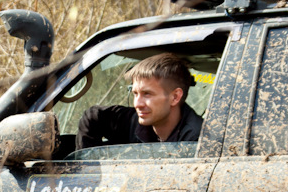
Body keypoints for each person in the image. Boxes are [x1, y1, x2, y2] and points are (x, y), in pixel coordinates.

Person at [75, 52, 204, 149]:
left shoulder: (200, 141)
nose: (137, 104)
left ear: (175, 97)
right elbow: (93, 116)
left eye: (147, 94)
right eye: (135, 94)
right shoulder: (137, 120)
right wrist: (87, 171)